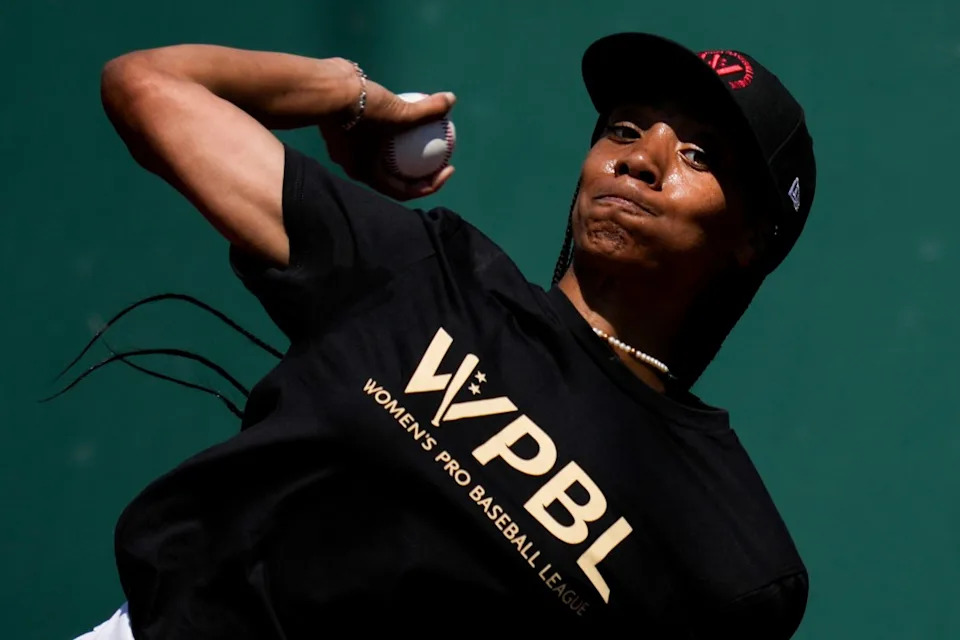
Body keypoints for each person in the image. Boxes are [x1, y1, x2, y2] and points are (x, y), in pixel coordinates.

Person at [77, 31, 816, 638]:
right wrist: (345, 92)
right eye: (623, 130)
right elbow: (148, 88)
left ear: (753, 237)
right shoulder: (422, 270)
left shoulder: (734, 559)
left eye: (699, 155)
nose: (640, 159)